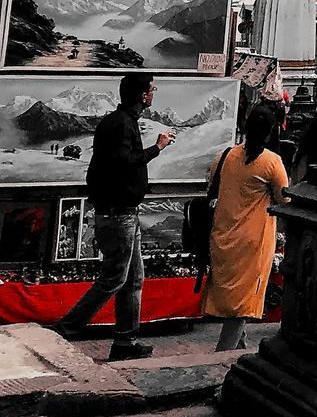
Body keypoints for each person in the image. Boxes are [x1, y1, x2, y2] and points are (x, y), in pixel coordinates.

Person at [50, 72, 172, 361]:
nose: (153, 93)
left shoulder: (117, 122)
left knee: (132, 279)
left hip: (122, 212)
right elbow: (123, 164)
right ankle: (63, 331)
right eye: (152, 89)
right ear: (143, 95)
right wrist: (157, 148)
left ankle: (125, 343)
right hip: (119, 214)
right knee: (115, 279)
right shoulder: (122, 125)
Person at [201, 103, 289, 351]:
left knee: (236, 296)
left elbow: (211, 186)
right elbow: (285, 198)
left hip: (222, 236)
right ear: (271, 132)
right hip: (254, 239)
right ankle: (221, 355)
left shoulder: (226, 156)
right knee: (243, 303)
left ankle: (239, 350)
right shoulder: (271, 162)